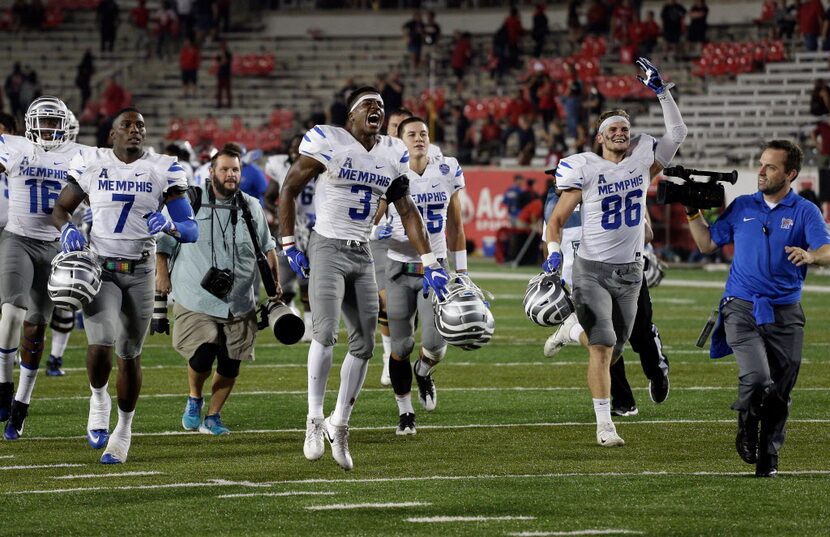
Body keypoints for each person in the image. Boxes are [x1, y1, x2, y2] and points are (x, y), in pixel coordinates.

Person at [279, 87, 450, 470]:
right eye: (367, 105)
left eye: (381, 106)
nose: (376, 109)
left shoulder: (391, 153)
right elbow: (289, 188)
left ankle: (340, 424)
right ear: (351, 115)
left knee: (365, 346)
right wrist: (289, 242)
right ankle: (313, 417)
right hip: (327, 245)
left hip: (361, 252)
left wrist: (430, 261)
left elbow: (407, 211)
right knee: (325, 332)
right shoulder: (330, 141)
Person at [543, 58, 687, 447]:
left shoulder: (643, 162)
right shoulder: (585, 168)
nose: (621, 132)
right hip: (591, 270)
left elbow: (677, 132)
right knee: (604, 345)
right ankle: (605, 425)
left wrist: (662, 92)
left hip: (630, 271)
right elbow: (556, 219)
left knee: (612, 346)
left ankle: (572, 330)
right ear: (600, 138)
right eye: (613, 129)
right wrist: (554, 252)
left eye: (625, 127)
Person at [51, 107, 198, 463]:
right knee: (100, 342)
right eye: (127, 125)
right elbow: (60, 209)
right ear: (111, 135)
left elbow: (191, 229)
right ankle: (98, 398)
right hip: (102, 267)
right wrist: (67, 229)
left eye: (140, 126)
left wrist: (168, 226)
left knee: (129, 353)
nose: (135, 130)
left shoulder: (162, 168)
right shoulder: (92, 163)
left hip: (141, 271)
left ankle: (124, 430)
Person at [686, 139, 830, 477]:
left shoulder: (804, 211)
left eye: (771, 167)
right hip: (741, 306)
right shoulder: (741, 206)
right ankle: (748, 425)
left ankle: (769, 456)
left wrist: (810, 256)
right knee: (757, 377)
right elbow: (707, 243)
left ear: (791, 173)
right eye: (761, 164)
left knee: (780, 390)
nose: (761, 171)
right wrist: (692, 212)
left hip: (785, 311)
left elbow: (827, 249)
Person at [156, 143, 280, 436]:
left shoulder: (251, 206)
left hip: (239, 299)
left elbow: (267, 246)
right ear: (211, 171)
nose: (230, 174)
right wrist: (162, 275)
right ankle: (194, 398)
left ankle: (213, 416)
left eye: (235, 169)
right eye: (224, 169)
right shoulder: (189, 202)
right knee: (203, 351)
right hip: (196, 295)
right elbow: (164, 243)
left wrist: (275, 281)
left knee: (230, 363)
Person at [0, 96, 93, 437]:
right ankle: (3, 386)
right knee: (11, 311)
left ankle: (21, 404)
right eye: (45, 121)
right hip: (18, 238)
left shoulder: (80, 154)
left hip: (56, 245)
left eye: (55, 122)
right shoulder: (15, 146)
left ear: (66, 125)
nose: (49, 128)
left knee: (37, 325)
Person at [543, 183, 671, 417]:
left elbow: (648, 234)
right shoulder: (553, 205)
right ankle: (623, 401)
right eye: (556, 180)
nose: (558, 185)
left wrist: (636, 246)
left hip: (624, 271)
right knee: (605, 339)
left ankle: (657, 370)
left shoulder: (610, 195)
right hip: (586, 280)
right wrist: (555, 275)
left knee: (640, 335)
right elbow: (550, 242)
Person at [382, 116, 467, 436]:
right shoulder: (391, 171)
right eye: (412, 134)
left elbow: (457, 225)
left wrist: (462, 272)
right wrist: (379, 228)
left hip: (438, 269)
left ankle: (424, 371)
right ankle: (405, 412)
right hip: (400, 267)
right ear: (400, 140)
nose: (419, 138)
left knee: (435, 345)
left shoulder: (447, 168)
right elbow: (377, 217)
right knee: (401, 345)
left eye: (424, 133)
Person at [264, 135, 314, 342]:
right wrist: (278, 214)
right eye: (293, 146)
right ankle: (292, 318)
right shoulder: (280, 166)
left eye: (300, 146)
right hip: (289, 229)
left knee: (307, 282)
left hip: (313, 229)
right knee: (282, 283)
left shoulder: (318, 163)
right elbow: (268, 197)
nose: (296, 150)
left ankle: (310, 326)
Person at [216, 41, 233, 109]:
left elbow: (224, 62)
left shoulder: (228, 54)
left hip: (226, 74)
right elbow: (219, 62)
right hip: (220, 74)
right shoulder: (219, 54)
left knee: (227, 90)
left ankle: (229, 104)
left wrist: (223, 55)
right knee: (219, 90)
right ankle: (219, 103)